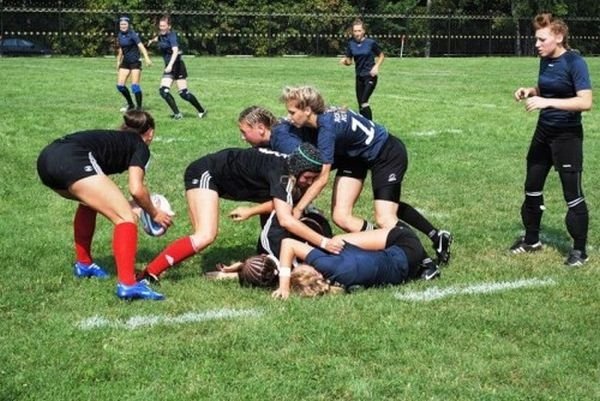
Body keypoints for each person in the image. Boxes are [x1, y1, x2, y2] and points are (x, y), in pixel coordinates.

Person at [280, 85, 453, 264]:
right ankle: (391, 239)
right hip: (355, 157)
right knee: (341, 217)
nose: (289, 117)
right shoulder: (322, 117)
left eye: (292, 112)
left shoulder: (326, 129)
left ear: (307, 110)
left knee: (385, 217)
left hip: (386, 153)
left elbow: (323, 178)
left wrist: (299, 209)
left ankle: (423, 259)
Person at [136, 143, 344, 283]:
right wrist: (324, 243)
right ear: (298, 170)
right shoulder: (281, 175)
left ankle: (256, 267)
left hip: (222, 178)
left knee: (278, 225)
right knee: (205, 235)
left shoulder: (288, 170)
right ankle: (149, 273)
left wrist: (252, 211)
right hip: (205, 173)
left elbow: (278, 206)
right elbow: (286, 219)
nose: (309, 183)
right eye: (307, 178)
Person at [36, 110, 173, 300]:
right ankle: (128, 284)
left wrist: (135, 204)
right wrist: (154, 213)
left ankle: (84, 264)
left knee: (88, 203)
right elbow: (136, 189)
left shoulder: (115, 139)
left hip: (46, 160)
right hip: (72, 160)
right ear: (149, 133)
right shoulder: (141, 146)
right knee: (126, 218)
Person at [510, 13, 592, 267]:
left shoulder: (575, 62)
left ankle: (579, 251)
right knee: (532, 186)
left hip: (567, 137)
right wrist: (531, 91)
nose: (536, 44)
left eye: (541, 39)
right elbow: (547, 87)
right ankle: (532, 240)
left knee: (572, 194)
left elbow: (585, 102)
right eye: (536, 39)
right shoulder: (545, 60)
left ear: (558, 37)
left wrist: (546, 102)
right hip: (543, 133)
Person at [272, 223, 440, 299]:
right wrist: (283, 286)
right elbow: (288, 244)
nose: (301, 263)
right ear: (311, 271)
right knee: (337, 240)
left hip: (407, 270)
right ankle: (428, 260)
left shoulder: (338, 285)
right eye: (301, 266)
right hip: (406, 244)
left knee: (355, 255)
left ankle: (423, 263)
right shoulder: (325, 264)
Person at [147, 14, 207, 120]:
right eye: (160, 26)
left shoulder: (172, 36)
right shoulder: (161, 35)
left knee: (183, 94)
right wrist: (152, 40)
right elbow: (159, 38)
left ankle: (201, 110)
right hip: (170, 67)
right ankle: (177, 114)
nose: (162, 28)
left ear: (169, 26)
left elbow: (175, 51)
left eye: (164, 26)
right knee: (163, 91)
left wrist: (170, 65)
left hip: (177, 65)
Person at [339, 18, 384, 120]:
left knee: (364, 102)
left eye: (359, 31)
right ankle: (363, 127)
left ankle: (371, 127)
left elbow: (381, 55)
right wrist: (345, 61)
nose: (357, 33)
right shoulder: (351, 43)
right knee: (360, 105)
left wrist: (376, 66)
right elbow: (350, 61)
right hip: (359, 77)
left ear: (363, 31)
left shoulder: (370, 43)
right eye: (355, 31)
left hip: (370, 76)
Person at [115, 16, 152, 112]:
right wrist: (118, 61)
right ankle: (131, 104)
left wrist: (147, 58)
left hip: (135, 61)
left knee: (134, 86)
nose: (123, 26)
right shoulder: (119, 35)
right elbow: (121, 49)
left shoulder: (133, 35)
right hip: (126, 62)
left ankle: (139, 108)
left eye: (124, 24)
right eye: (121, 24)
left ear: (128, 25)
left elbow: (141, 47)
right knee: (120, 86)